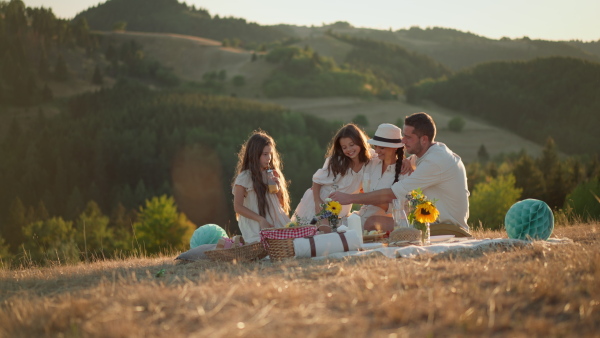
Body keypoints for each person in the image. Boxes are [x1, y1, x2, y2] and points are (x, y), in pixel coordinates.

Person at [330, 112, 471, 237]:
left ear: (424, 139)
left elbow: (393, 193)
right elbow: (415, 161)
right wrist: (408, 161)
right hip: (432, 223)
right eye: (404, 135)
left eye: (408, 137)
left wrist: (350, 198)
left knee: (373, 222)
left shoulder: (435, 161)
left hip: (447, 228)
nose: (403, 141)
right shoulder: (431, 153)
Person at [291, 123, 371, 224]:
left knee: (332, 234)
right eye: (344, 147)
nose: (349, 150)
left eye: (352, 145)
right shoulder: (337, 162)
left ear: (360, 142)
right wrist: (317, 201)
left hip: (340, 208)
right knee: (311, 228)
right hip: (321, 201)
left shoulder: (369, 161)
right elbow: (317, 180)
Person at [232, 131, 291, 243]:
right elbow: (237, 207)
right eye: (265, 154)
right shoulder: (245, 177)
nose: (269, 158)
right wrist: (261, 220)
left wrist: (278, 188)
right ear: (254, 154)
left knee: (294, 244)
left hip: (274, 222)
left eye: (270, 154)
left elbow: (281, 206)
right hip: (256, 225)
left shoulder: (271, 174)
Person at [356, 123, 407, 232]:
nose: (377, 150)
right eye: (376, 146)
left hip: (377, 228)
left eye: (382, 148)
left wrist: (367, 198)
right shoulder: (372, 163)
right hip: (359, 218)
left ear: (394, 148)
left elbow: (398, 208)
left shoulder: (404, 173)